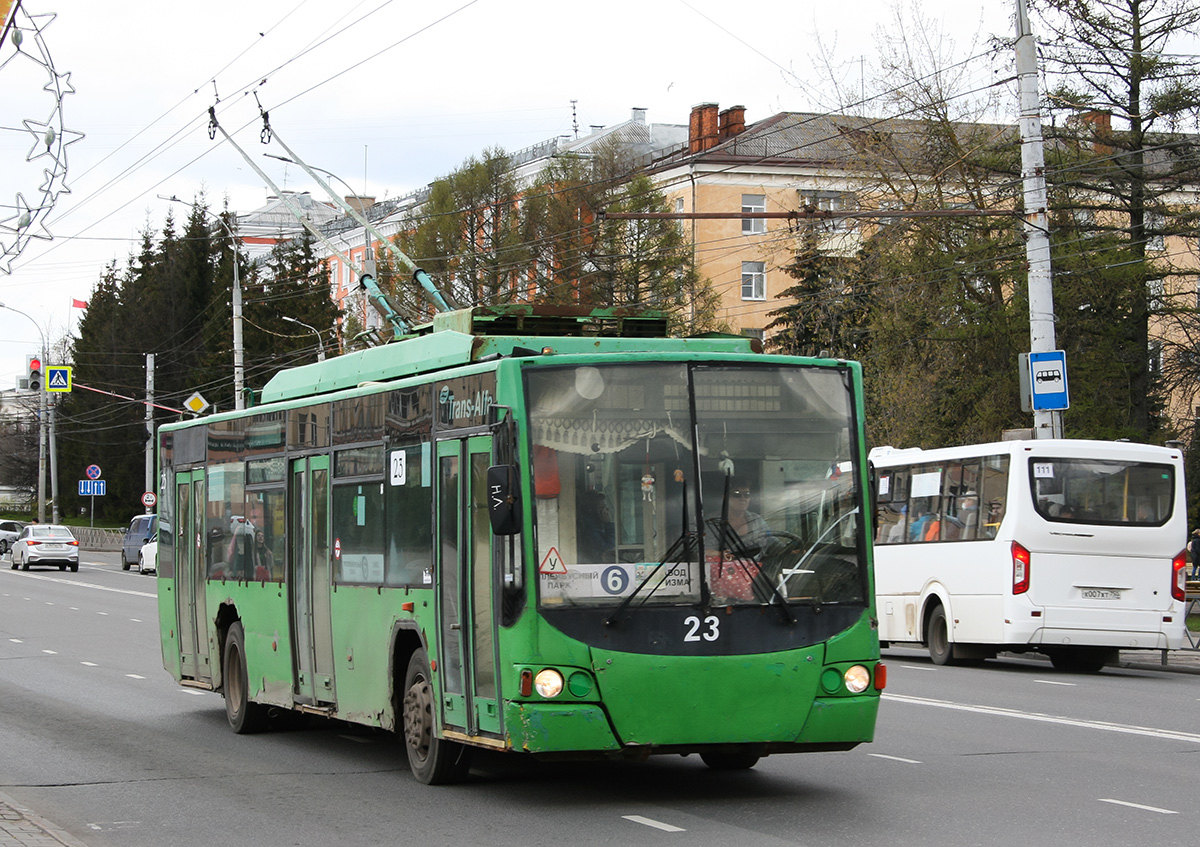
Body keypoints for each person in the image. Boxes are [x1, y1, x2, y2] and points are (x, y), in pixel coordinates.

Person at [576, 489, 615, 563]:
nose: (605, 511)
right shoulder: (589, 527)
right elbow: (609, 548)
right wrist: (608, 524)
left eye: (605, 507)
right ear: (592, 510)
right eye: (601, 508)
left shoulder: (598, 524)